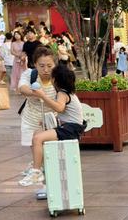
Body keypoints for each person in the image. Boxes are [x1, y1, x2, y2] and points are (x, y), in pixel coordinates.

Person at [19, 63, 86, 186]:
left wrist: (42, 95)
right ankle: (39, 164)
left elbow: (59, 108)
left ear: (55, 80)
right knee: (37, 133)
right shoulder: (68, 93)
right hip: (70, 128)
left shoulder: (62, 93)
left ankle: (36, 171)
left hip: (70, 129)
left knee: (38, 138)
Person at [16, 47, 58, 177]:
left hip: (52, 119)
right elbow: (22, 88)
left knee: (50, 151)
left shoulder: (58, 77)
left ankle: (44, 176)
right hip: (31, 118)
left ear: (55, 65)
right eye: (42, 66)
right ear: (35, 64)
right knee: (35, 148)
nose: (46, 70)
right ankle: (42, 178)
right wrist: (36, 93)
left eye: (49, 66)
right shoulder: (30, 74)